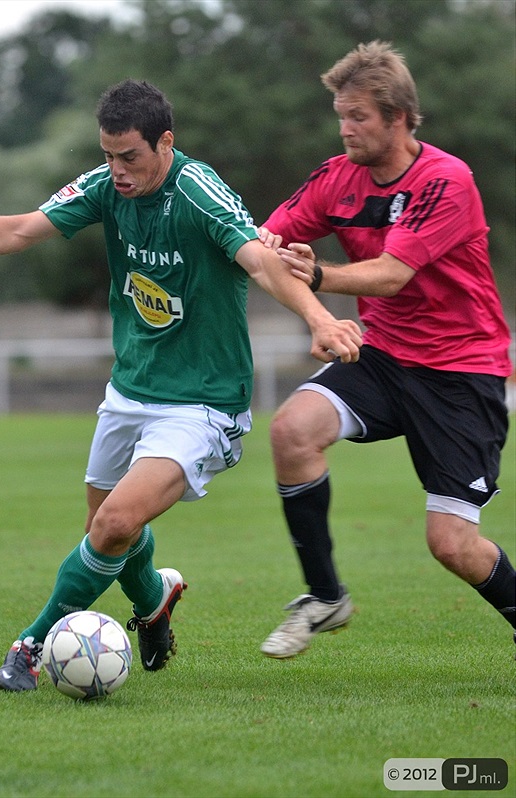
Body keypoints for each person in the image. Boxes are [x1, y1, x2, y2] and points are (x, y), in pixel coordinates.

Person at [0, 79, 363, 690]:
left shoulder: (198, 192)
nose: (117, 170)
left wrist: (319, 317)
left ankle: (29, 644)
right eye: (108, 155)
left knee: (110, 526)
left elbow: (263, 261)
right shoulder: (105, 187)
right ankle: (154, 597)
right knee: (106, 528)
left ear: (165, 142)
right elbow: (23, 230)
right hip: (130, 390)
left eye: (129, 156)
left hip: (203, 404)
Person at [257, 41, 514, 659]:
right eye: (340, 116)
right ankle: (325, 597)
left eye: (358, 118)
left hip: (462, 371)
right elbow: (265, 244)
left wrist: (319, 277)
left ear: (398, 118)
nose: (345, 129)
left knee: (452, 543)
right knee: (292, 431)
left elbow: (393, 273)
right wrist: (246, 251)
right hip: (386, 356)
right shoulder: (337, 177)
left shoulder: (445, 181)